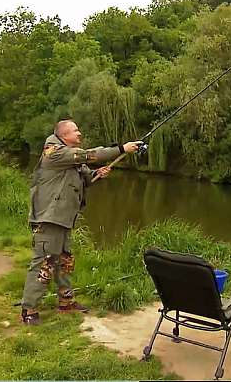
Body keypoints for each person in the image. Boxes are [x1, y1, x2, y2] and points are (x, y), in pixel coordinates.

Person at [20, 119, 141, 325]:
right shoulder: (55, 152)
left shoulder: (73, 160)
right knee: (44, 263)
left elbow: (85, 178)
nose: (79, 134)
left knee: (65, 263)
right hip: (49, 220)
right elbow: (88, 155)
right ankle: (29, 309)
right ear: (63, 134)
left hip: (64, 220)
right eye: (75, 130)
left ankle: (66, 303)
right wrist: (121, 149)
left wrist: (96, 174)